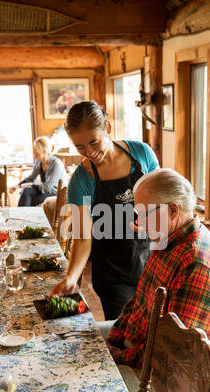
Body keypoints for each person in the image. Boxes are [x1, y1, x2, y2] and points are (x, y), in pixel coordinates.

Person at [101, 168, 210, 368]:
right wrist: (112, 341)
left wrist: (118, 357)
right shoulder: (168, 237)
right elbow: (138, 302)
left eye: (144, 214)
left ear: (172, 210)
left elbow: (175, 352)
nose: (139, 222)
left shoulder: (197, 264)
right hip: (137, 343)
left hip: (165, 375)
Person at [50, 100, 159, 320]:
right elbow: (82, 237)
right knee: (124, 339)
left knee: (158, 336)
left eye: (93, 142)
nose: (89, 152)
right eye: (80, 146)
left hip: (154, 263)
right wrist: (72, 277)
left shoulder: (142, 154)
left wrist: (155, 217)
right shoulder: (80, 181)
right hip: (112, 274)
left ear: (107, 129)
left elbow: (164, 196)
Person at [10, 136, 68, 207]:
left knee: (27, 195)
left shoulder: (56, 164)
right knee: (26, 191)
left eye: (36, 152)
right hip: (45, 191)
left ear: (44, 151)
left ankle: (21, 216)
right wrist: (17, 186)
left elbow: (48, 187)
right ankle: (23, 216)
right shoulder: (38, 162)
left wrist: (31, 185)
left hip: (56, 193)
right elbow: (31, 178)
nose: (34, 155)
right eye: (34, 152)